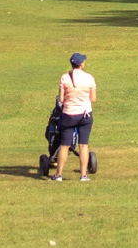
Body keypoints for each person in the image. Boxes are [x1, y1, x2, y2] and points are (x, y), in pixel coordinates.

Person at [53, 52, 96, 181]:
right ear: (81, 64)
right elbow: (93, 98)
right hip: (85, 114)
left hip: (69, 114)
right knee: (83, 145)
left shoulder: (65, 78)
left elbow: (61, 98)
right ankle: (83, 175)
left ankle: (58, 174)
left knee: (64, 145)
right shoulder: (89, 78)